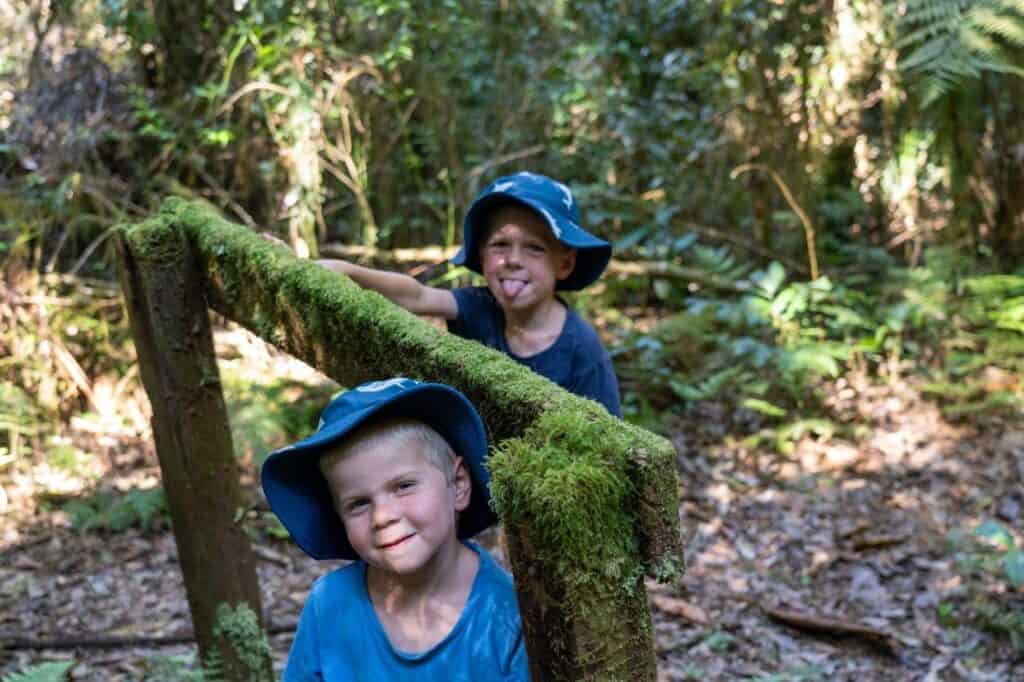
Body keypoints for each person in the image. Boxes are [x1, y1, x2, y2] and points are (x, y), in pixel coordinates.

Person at [261, 377, 529, 681]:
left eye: (403, 486)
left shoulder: (509, 616)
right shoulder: (329, 604)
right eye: (359, 503)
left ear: (458, 484)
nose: (382, 517)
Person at [316, 171, 622, 417]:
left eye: (535, 248)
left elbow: (608, 441)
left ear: (565, 264)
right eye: (500, 245)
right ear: (481, 255)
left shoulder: (582, 351)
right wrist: (349, 272)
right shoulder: (480, 306)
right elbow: (418, 296)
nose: (513, 260)